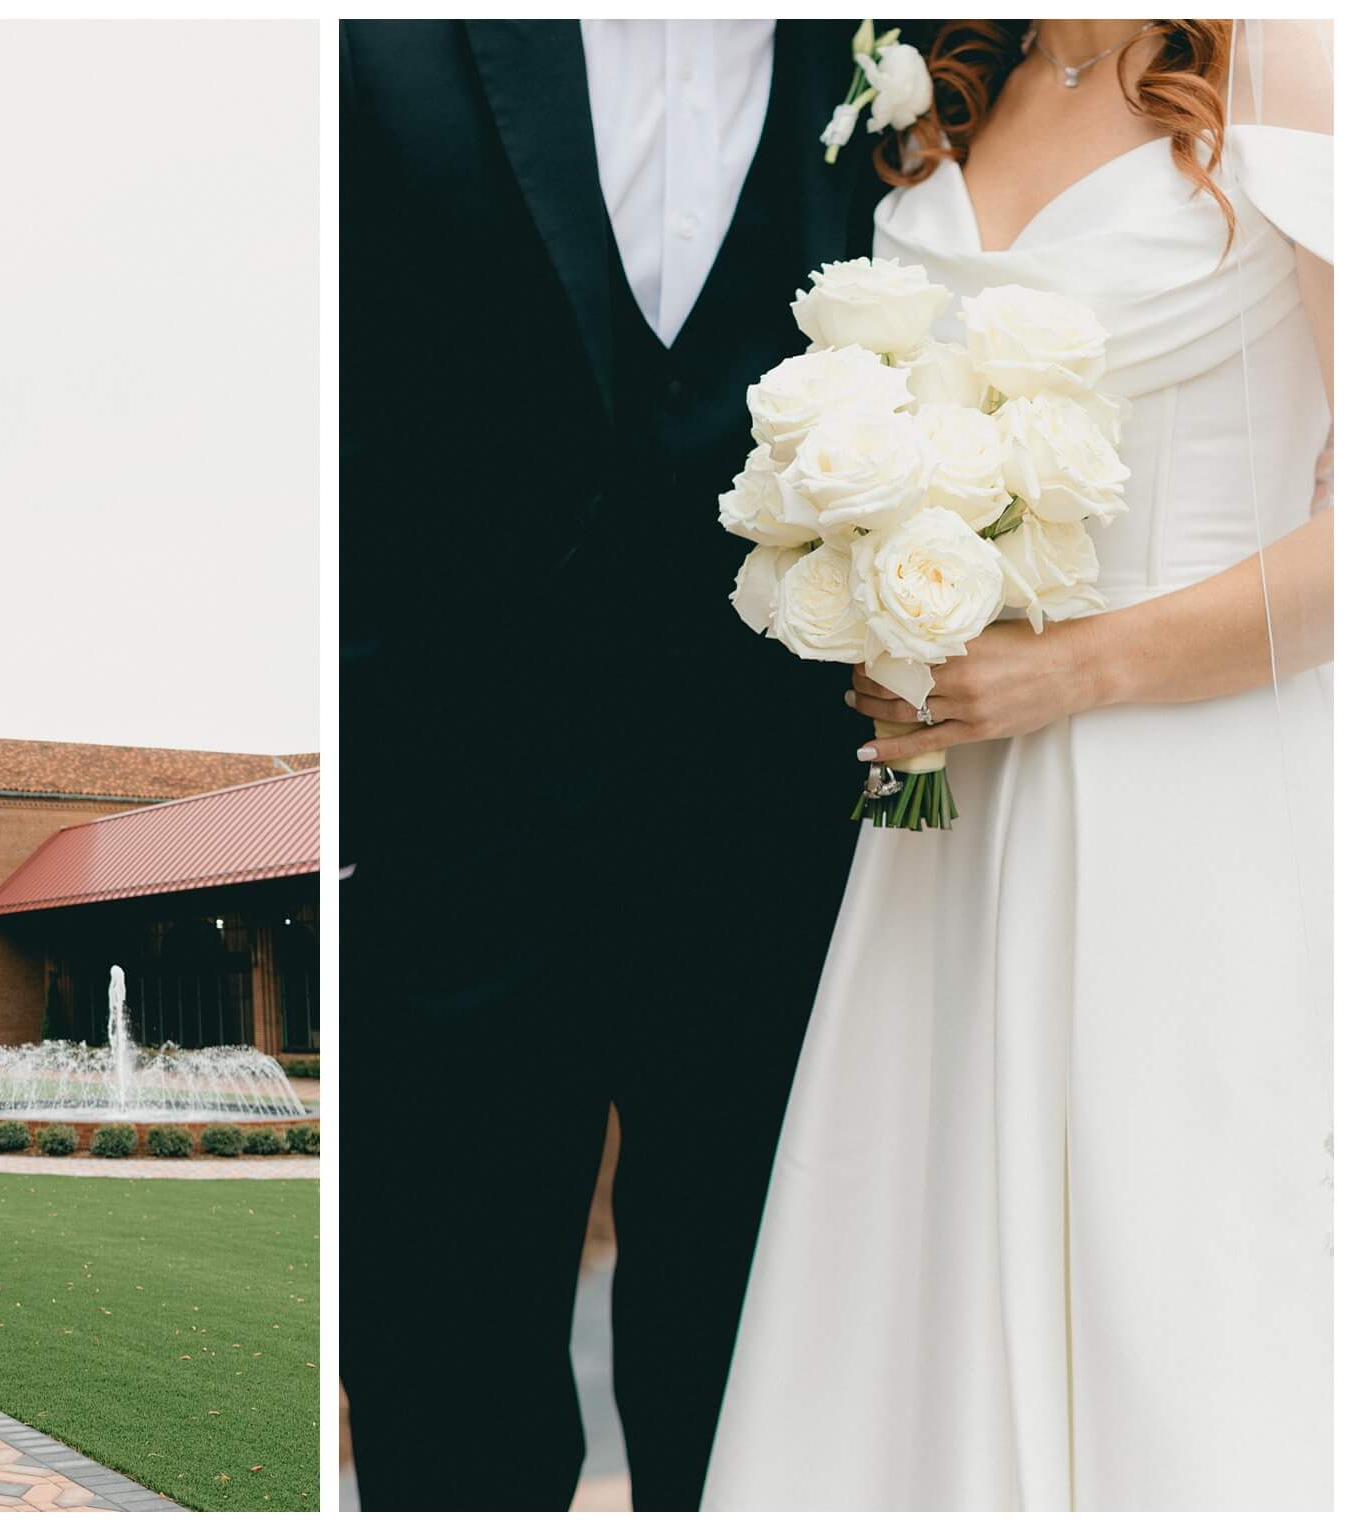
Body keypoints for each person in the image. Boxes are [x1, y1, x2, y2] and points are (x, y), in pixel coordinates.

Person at [703, 20, 1332, 1509]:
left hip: (1198, 796)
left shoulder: (1290, 59)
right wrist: (877, 594)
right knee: (908, 1277)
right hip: (947, 819)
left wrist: (1070, 668)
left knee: (1169, 1292)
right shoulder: (933, 81)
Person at [338, 19, 910, 1510]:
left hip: (788, 825)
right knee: (445, 1357)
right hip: (452, 814)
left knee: (756, 1351)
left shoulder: (915, 47)